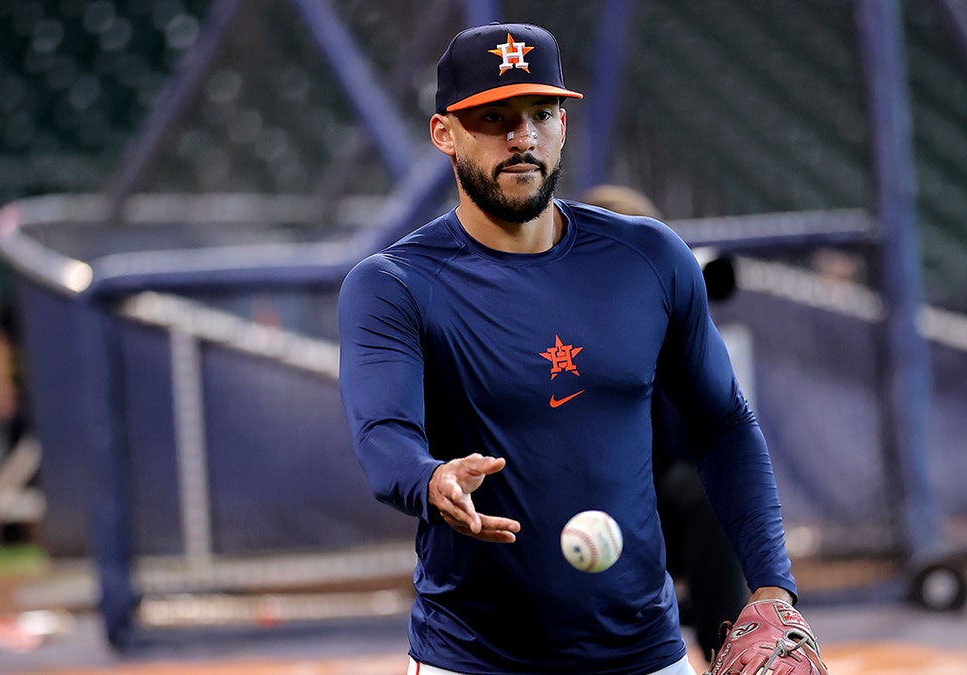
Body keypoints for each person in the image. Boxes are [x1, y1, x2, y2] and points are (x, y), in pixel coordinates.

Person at [338, 22, 814, 674]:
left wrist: (772, 584)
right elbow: (382, 433)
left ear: (564, 123)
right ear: (444, 133)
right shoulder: (394, 285)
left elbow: (724, 424)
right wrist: (430, 478)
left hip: (644, 654)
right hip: (473, 658)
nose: (522, 137)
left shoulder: (650, 259)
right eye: (494, 118)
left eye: (541, 113)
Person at [579, 185, 749, 660]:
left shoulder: (667, 319)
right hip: (572, 512)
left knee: (706, 492)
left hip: (654, 503)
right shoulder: (559, 322)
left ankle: (728, 651)